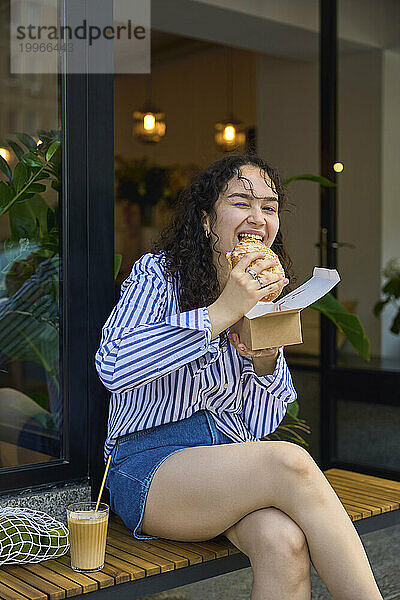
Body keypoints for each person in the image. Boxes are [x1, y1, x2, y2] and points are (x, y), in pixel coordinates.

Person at [95, 155, 383, 600]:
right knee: (289, 461)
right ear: (208, 219)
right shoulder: (158, 274)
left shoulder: (262, 292)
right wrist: (223, 310)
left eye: (269, 207)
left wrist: (266, 362)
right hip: (149, 468)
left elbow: (260, 423)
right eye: (241, 202)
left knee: (283, 542)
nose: (258, 217)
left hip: (228, 464)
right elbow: (113, 366)